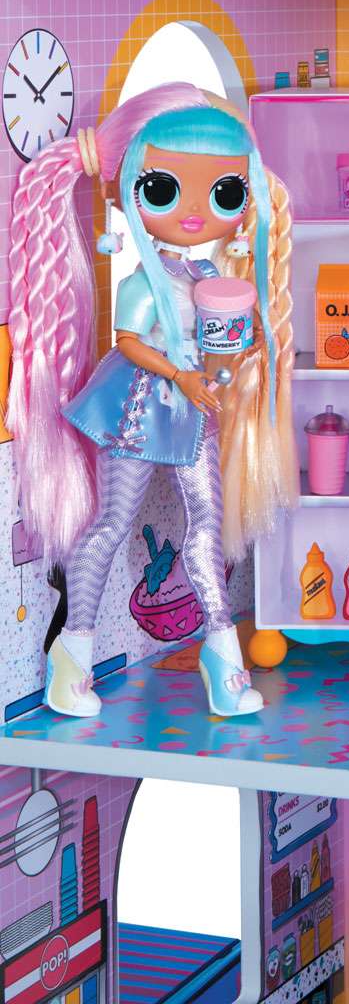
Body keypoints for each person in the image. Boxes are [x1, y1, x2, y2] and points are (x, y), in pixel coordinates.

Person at [7, 83, 297, 718]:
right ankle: (73, 652)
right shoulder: (145, 282)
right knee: (114, 522)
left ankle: (222, 659)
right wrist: (182, 375)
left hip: (192, 408)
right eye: (164, 189)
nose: (194, 211)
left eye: (224, 193)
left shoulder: (206, 276)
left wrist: (235, 353)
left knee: (206, 524)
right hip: (138, 406)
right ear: (127, 193)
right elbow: (129, 341)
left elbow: (214, 348)